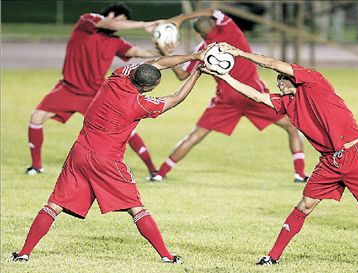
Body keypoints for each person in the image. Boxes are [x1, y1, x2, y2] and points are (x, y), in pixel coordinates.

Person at [200, 42, 358, 268]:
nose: (278, 82)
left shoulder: (313, 80)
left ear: (292, 77)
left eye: (281, 78)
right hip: (329, 161)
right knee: (305, 205)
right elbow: (258, 97)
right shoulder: (287, 103)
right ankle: (272, 257)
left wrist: (240, 53)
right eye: (278, 80)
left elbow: (271, 63)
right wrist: (225, 76)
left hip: (355, 154)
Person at [10, 48, 210, 263]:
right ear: (148, 87)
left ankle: (23, 254)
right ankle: (167, 257)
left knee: (54, 205)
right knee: (136, 208)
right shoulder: (140, 104)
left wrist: (193, 56)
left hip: (79, 152)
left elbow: (159, 61)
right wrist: (197, 72)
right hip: (106, 160)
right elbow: (176, 98)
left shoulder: (117, 77)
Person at [150, 9, 308, 183]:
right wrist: (179, 19)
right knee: (291, 127)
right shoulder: (229, 29)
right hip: (252, 93)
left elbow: (182, 75)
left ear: (198, 33)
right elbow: (212, 10)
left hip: (226, 98)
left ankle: (160, 174)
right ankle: (299, 174)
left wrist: (167, 53)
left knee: (195, 136)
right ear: (213, 24)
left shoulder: (201, 49)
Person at [27, 3, 164, 176]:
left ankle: (153, 170)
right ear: (112, 14)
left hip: (96, 94)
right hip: (68, 88)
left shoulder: (115, 42)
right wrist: (145, 25)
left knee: (125, 128)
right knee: (37, 117)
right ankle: (36, 166)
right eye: (122, 21)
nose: (121, 26)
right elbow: (112, 24)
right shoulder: (87, 23)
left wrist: (162, 48)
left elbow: (139, 52)